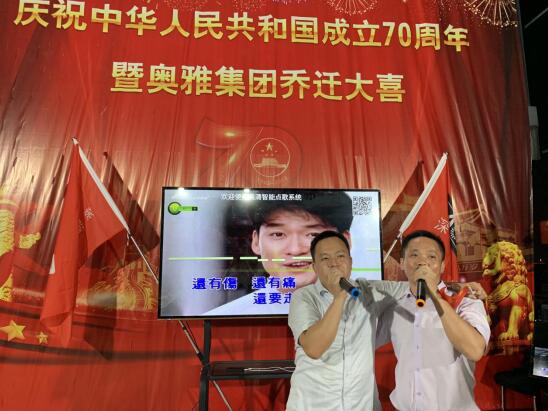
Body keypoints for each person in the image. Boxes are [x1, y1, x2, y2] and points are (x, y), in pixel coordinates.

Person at [286, 230, 408, 410]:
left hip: (362, 406)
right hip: (313, 405)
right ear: (315, 267)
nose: (334, 263)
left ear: (350, 262)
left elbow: (413, 290)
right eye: (325, 258)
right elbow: (314, 348)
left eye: (340, 256)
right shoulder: (303, 297)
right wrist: (339, 296)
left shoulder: (369, 291)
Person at [377, 230, 491, 411]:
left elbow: (475, 350)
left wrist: (435, 294)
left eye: (431, 256)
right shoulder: (394, 307)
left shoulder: (466, 301)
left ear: (442, 265)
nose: (423, 262)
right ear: (402, 263)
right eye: (414, 255)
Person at [204, 192, 354, 315]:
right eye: (278, 234)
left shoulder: (365, 312)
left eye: (313, 235)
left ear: (345, 242)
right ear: (256, 242)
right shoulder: (226, 316)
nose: (295, 250)